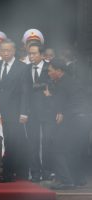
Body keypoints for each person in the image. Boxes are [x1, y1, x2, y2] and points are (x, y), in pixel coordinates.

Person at [47, 59, 92, 189]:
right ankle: (78, 179)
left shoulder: (62, 83)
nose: (49, 73)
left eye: (50, 70)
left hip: (74, 119)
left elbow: (60, 106)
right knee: (75, 150)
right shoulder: (73, 81)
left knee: (56, 146)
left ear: (59, 71)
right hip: (84, 120)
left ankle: (65, 180)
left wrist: (49, 96)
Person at [0, 39, 29, 182]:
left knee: (13, 142)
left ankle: (10, 173)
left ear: (14, 51)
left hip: (15, 112)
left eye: (8, 50)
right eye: (3, 50)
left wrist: (24, 112)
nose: (6, 53)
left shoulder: (22, 67)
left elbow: (26, 92)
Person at [25, 42, 56, 182]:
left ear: (42, 55)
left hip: (48, 110)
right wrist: (23, 111)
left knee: (48, 141)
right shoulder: (26, 69)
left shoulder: (50, 68)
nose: (31, 56)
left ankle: (48, 171)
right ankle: (35, 172)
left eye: (34, 53)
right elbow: (24, 91)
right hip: (31, 112)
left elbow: (56, 86)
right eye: (29, 53)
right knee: (33, 143)